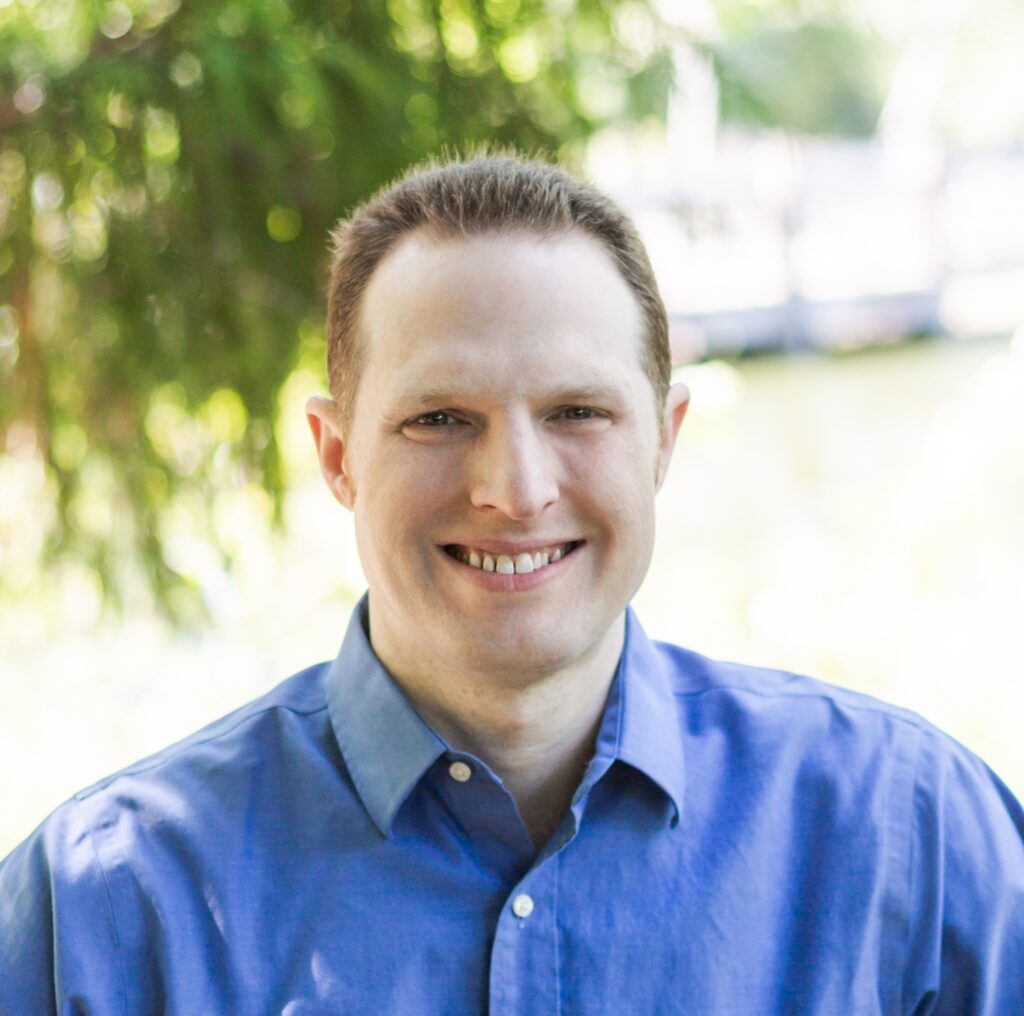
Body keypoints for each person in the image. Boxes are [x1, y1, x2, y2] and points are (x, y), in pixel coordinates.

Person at [1, 153, 1022, 1015]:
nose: (514, 490)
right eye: (439, 418)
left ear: (661, 442)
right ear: (336, 452)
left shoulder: (914, 840)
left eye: (578, 410)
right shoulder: (104, 908)